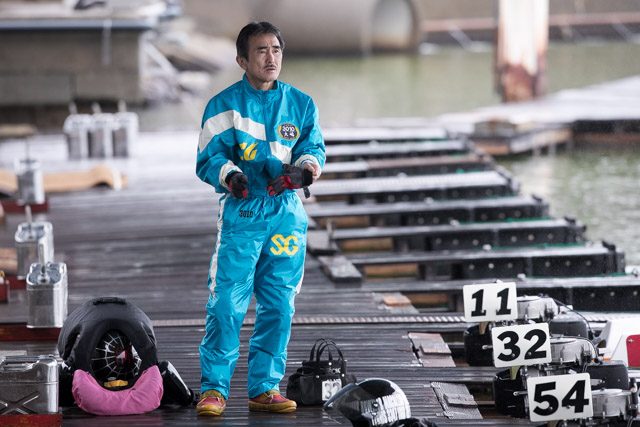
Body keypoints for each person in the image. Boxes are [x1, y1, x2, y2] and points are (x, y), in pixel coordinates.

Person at [195, 21, 326, 416]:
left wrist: (304, 172)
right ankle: (213, 389)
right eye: (261, 50)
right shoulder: (223, 106)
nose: (271, 58)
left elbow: (313, 149)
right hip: (243, 212)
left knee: (280, 305)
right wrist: (230, 176)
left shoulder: (301, 103)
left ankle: (264, 388)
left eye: (276, 49)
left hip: (286, 215)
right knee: (226, 304)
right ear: (242, 60)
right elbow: (209, 158)